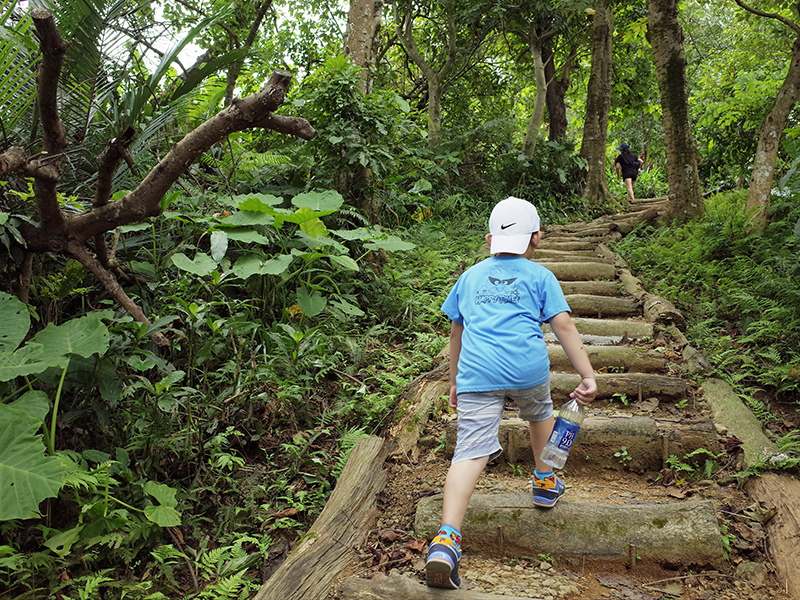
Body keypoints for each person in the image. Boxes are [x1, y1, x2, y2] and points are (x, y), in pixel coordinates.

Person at [425, 196, 598, 589]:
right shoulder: (540, 277)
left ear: (488, 238)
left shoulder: (469, 277)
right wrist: (586, 375)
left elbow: (457, 331)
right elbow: (564, 327)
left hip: (476, 372)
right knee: (539, 414)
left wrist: (454, 380)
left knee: (469, 450)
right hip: (527, 369)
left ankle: (447, 539)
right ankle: (543, 481)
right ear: (536, 238)